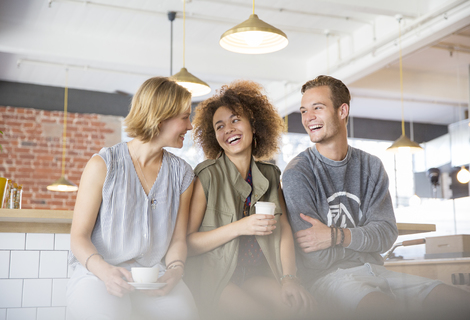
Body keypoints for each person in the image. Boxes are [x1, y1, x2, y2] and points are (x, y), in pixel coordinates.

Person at [282, 75, 470, 320]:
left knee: (464, 302)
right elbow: (315, 256)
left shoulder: (370, 166)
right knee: (386, 310)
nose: (308, 117)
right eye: (303, 110)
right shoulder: (298, 172)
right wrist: (363, 242)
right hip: (328, 279)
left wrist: (335, 236)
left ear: (342, 110)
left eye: (317, 108)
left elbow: (386, 234)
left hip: (377, 270)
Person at [66, 77, 199, 320]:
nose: (190, 126)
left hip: (152, 276)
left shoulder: (183, 174)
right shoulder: (103, 164)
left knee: (186, 313)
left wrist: (175, 270)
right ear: (160, 117)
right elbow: (78, 237)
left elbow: (178, 239)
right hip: (97, 273)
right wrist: (105, 272)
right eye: (184, 117)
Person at [185, 80, 317, 320]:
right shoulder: (206, 175)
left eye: (236, 120)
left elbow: (284, 229)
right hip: (219, 279)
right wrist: (240, 227)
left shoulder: (270, 174)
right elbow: (188, 244)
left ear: (253, 125)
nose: (228, 129)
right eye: (220, 126)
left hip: (258, 274)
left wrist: (289, 279)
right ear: (214, 136)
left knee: (297, 308)